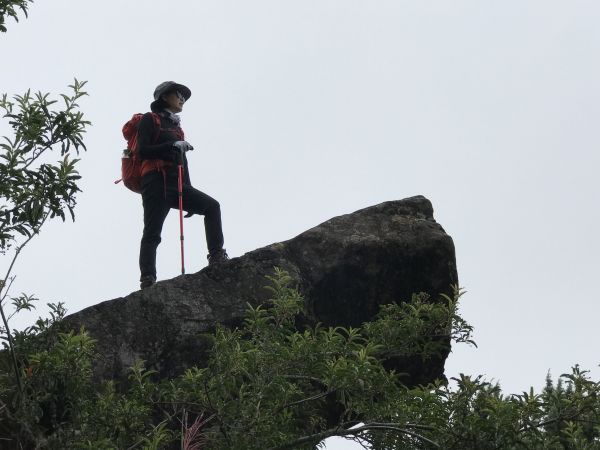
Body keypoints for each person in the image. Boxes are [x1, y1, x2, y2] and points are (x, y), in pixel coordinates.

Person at [137, 81, 228, 289]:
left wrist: (188, 190)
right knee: (152, 232)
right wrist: (171, 144)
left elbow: (182, 163)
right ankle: (148, 278)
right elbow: (142, 151)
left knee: (211, 207)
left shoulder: (176, 128)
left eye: (183, 97)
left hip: (177, 184)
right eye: (178, 94)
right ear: (164, 97)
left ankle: (216, 256)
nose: (182, 99)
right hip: (155, 183)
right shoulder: (149, 120)